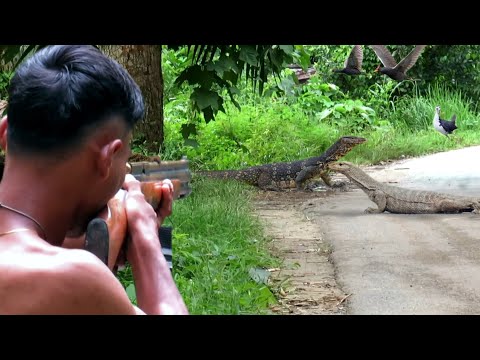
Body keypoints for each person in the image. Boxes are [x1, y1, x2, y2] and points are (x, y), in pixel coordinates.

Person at [0, 45, 189, 315]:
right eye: (125, 160)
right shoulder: (74, 277)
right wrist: (144, 234)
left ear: (5, 132)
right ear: (107, 157)